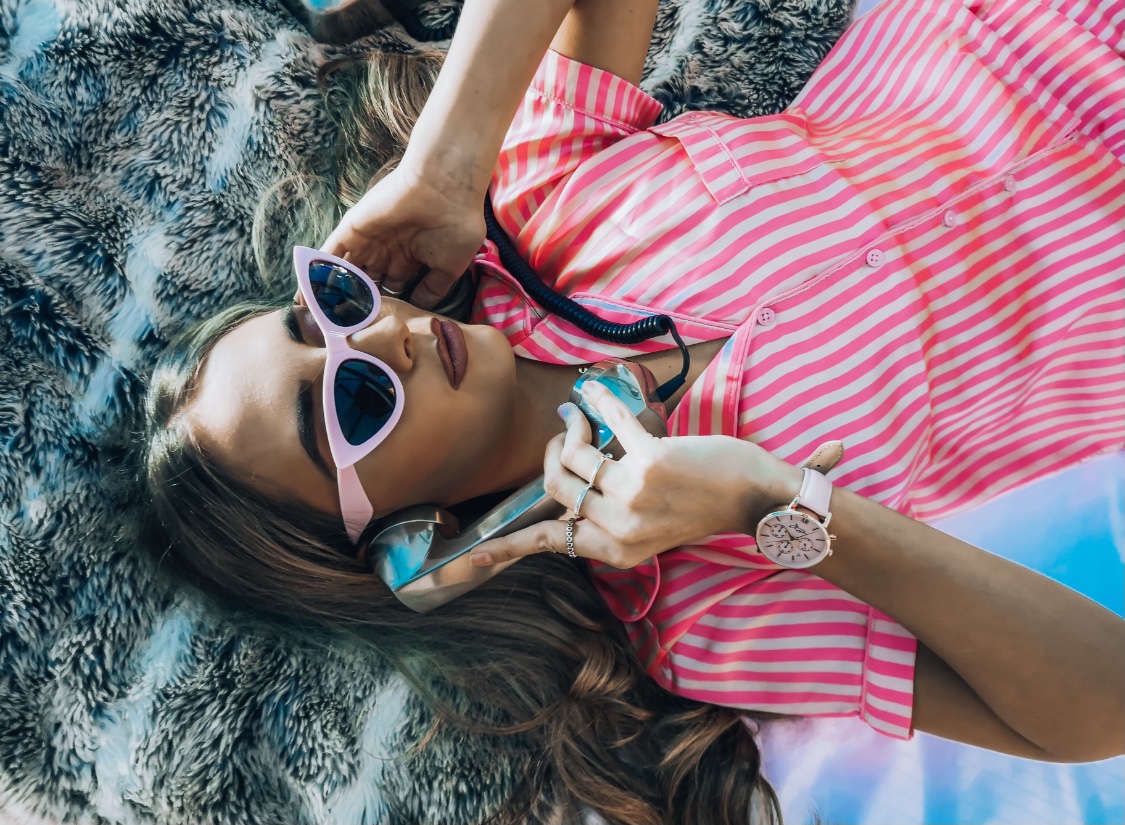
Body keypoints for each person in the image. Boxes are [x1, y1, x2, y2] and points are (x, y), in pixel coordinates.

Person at [143, 0, 1125, 822]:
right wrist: (774, 505)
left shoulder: (540, 203)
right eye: (350, 403)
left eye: (330, 311)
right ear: (410, 544)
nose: (382, 340)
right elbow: (1100, 704)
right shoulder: (700, 616)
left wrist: (445, 162)